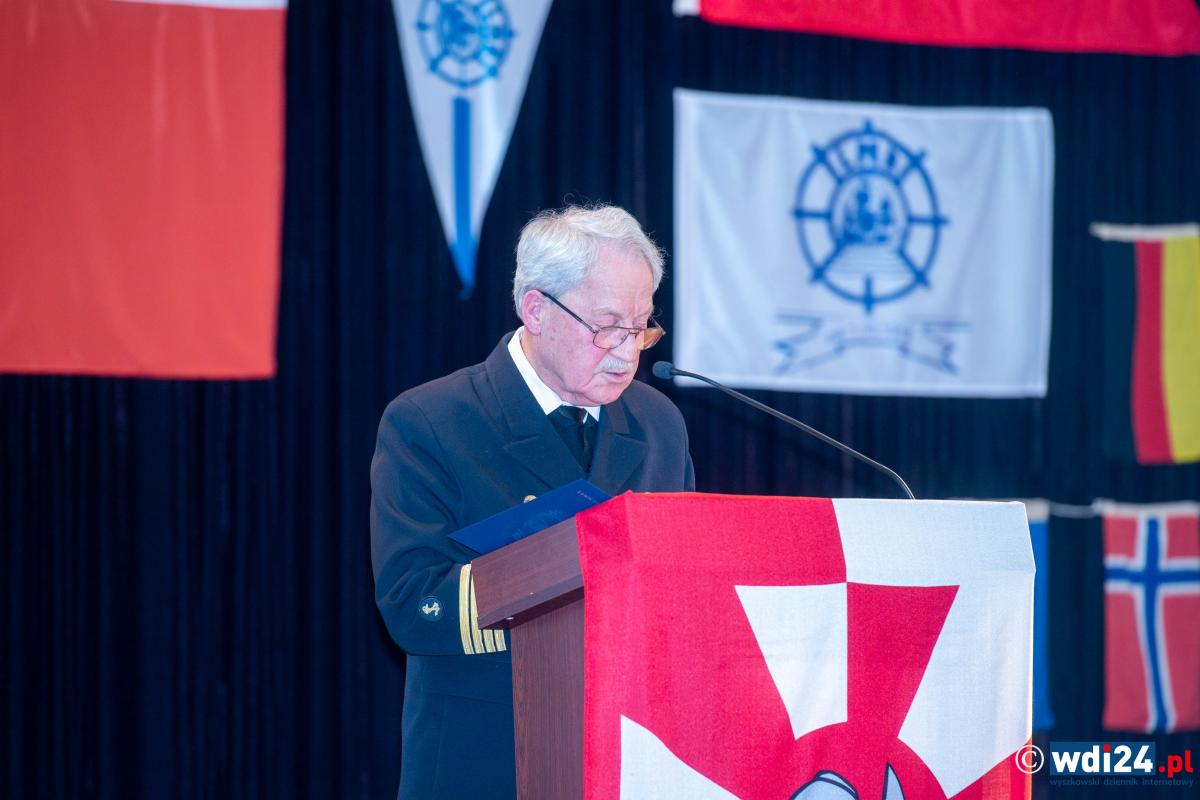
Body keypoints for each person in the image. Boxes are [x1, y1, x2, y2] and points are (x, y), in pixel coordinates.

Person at [370, 204, 695, 798]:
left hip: (629, 752)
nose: (627, 352)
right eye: (607, 326)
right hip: (488, 755)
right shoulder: (432, 420)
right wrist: (554, 575)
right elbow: (412, 604)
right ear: (536, 310)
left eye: (641, 327)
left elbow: (682, 585)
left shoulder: (658, 424)